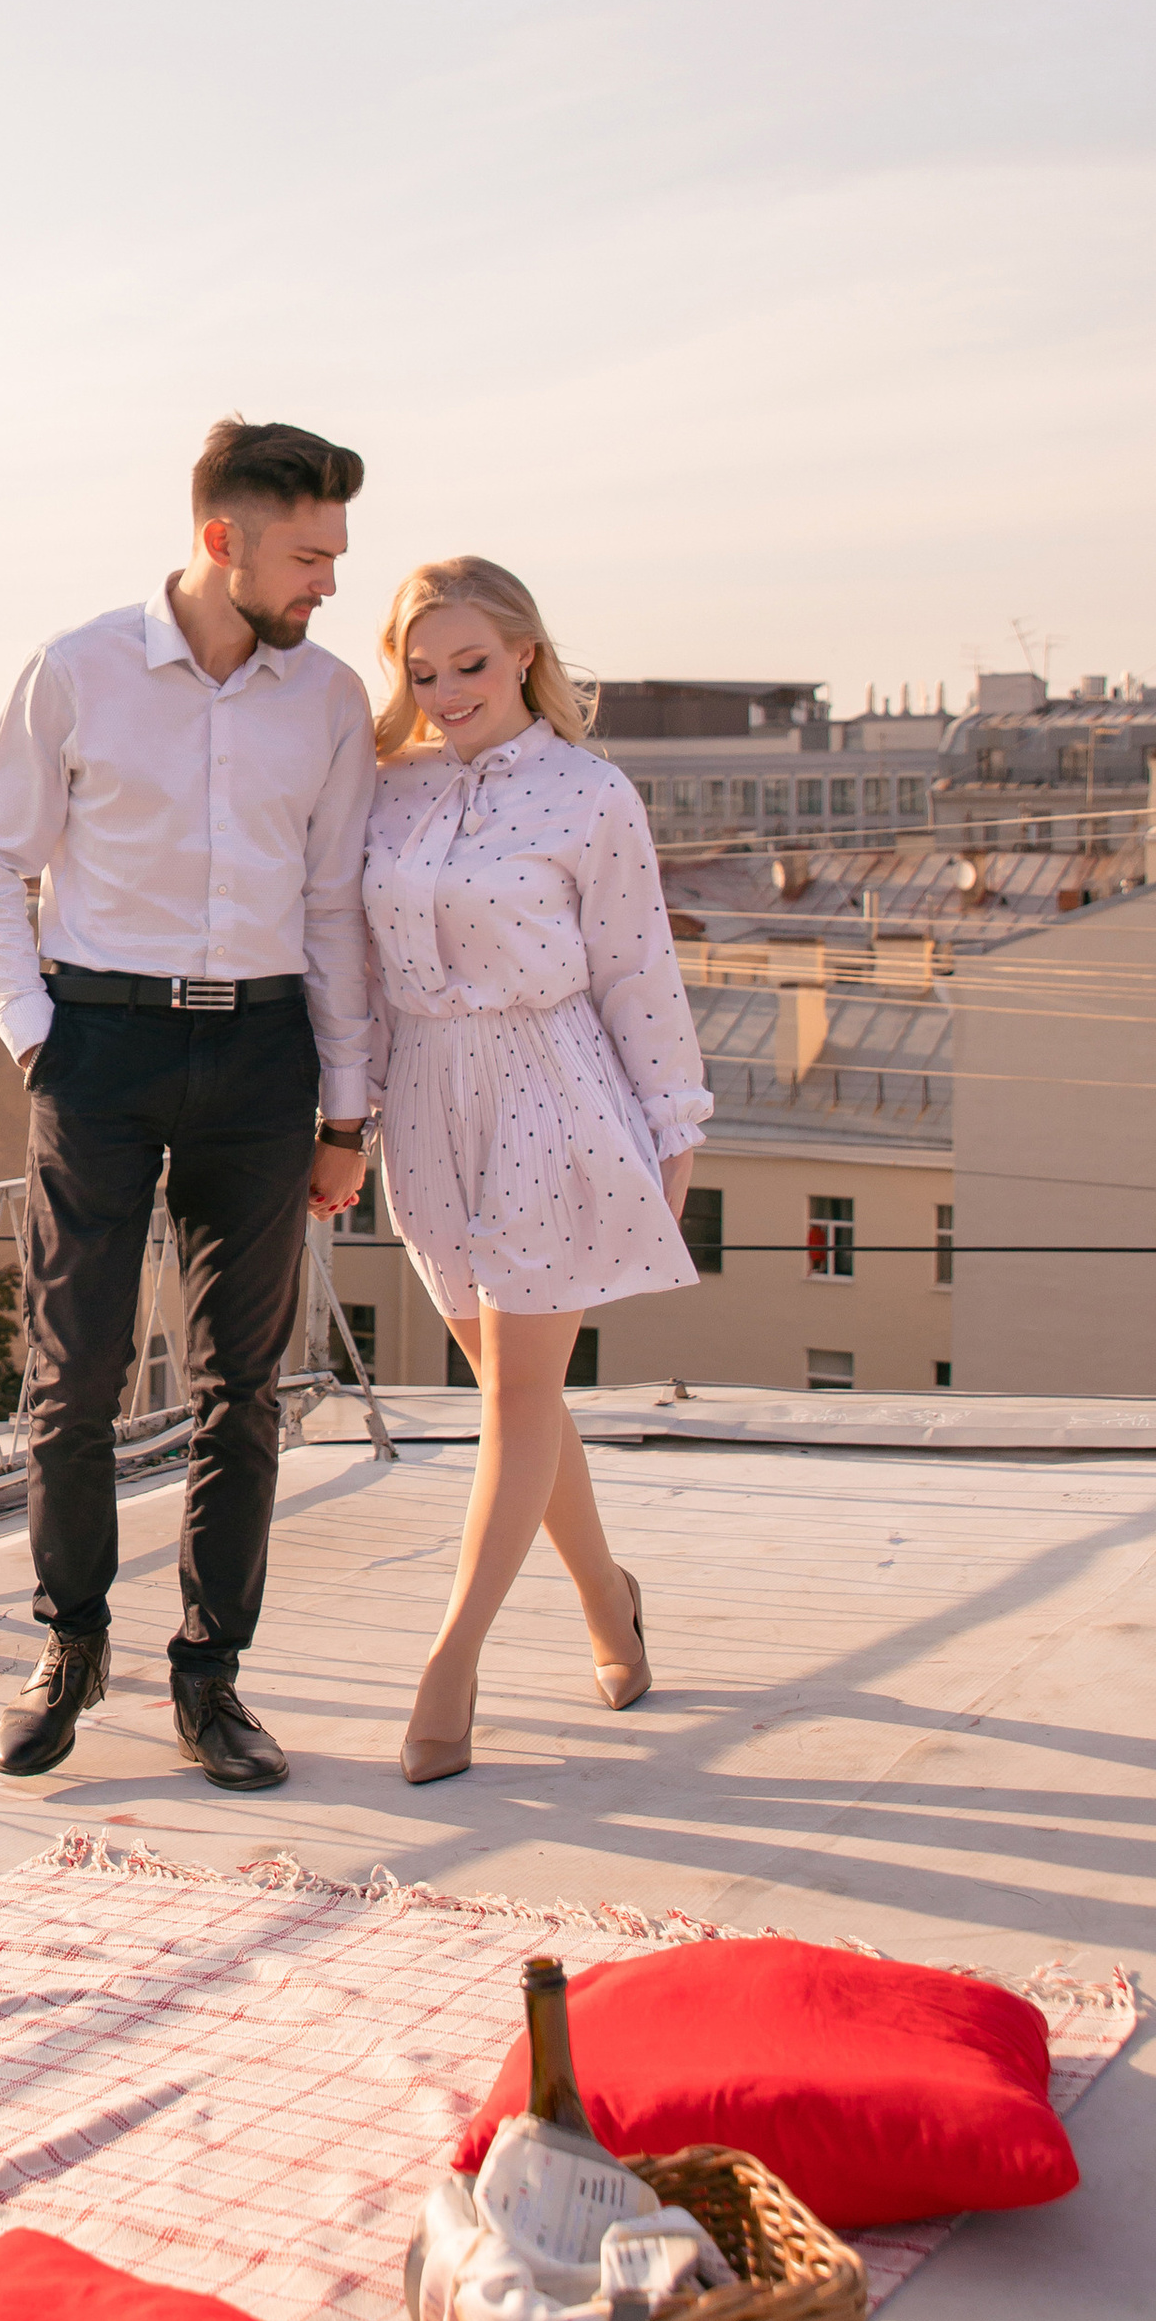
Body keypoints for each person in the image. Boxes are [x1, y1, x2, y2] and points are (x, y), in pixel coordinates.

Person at [0, 418, 377, 1791]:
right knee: (72, 1382)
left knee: (240, 1388)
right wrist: (34, 1040)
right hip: (104, 1053)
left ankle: (213, 1679)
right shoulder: (76, 673)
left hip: (262, 1062)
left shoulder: (327, 701)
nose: (328, 585)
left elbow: (335, 910)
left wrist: (346, 1114)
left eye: (336, 557)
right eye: (309, 556)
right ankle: (68, 1650)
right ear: (221, 541)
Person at [362, 558, 710, 1783]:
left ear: (521, 653)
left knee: (512, 1402)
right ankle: (609, 1601)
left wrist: (674, 1125)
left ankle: (449, 1667)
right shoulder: (382, 790)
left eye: (468, 663)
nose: (446, 691)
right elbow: (344, 970)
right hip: (425, 1102)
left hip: (552, 1089)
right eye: (421, 671)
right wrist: (344, 1117)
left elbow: (634, 965)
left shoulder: (588, 792)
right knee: (519, 1393)